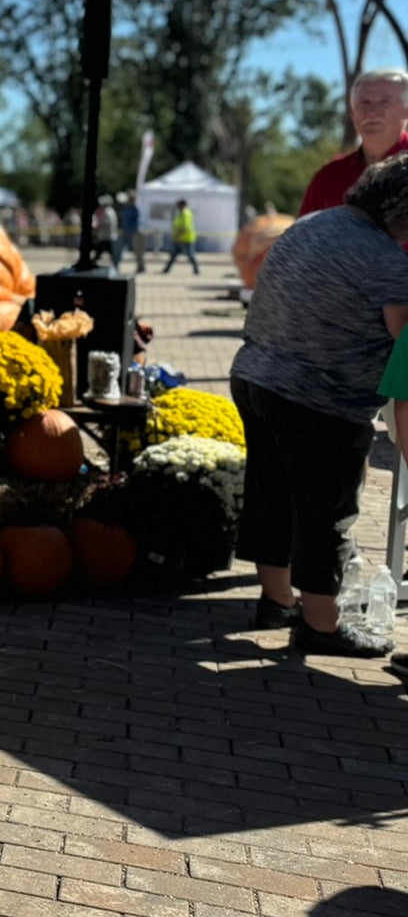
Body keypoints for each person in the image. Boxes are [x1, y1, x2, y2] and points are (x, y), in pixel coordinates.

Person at [233, 152, 408, 658]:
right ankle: (320, 625)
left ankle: (276, 599)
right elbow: (406, 342)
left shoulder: (310, 227)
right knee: (325, 511)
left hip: (256, 376)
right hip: (322, 399)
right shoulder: (387, 261)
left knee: (271, 497)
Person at [302, 68, 408, 216]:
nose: (371, 111)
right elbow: (303, 236)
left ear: (406, 110)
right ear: (353, 113)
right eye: (364, 103)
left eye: (384, 102)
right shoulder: (328, 178)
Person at [162, 201, 198, 274]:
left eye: (178, 205)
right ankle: (167, 269)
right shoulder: (180, 213)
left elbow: (184, 227)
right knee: (173, 255)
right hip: (180, 238)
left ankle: (196, 269)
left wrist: (177, 236)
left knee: (190, 255)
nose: (177, 206)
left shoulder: (185, 214)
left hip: (186, 238)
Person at [116, 192, 144, 273]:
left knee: (137, 251)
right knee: (119, 249)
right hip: (125, 232)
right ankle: (116, 265)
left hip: (133, 232)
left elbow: (136, 221)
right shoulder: (125, 208)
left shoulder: (136, 208)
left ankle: (140, 266)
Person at [91, 195, 117, 274]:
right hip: (106, 236)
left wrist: (98, 226)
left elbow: (106, 223)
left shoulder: (108, 212)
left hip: (107, 237)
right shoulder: (109, 211)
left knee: (100, 254)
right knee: (109, 254)